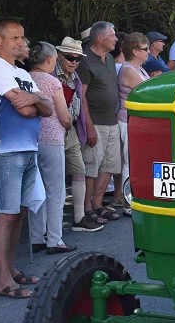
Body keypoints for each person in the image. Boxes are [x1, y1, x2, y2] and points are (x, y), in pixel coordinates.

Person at [0, 19, 53, 299]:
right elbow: (26, 111)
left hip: (28, 149)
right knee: (7, 214)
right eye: (14, 38)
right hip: (8, 151)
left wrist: (32, 99)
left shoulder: (21, 71)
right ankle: (3, 281)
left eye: (22, 37)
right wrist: (34, 100)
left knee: (19, 213)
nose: (20, 42)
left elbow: (46, 109)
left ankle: (11, 270)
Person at [26, 42, 76, 255]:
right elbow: (64, 117)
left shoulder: (25, 78)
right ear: (49, 60)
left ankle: (36, 237)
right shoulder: (51, 81)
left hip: (30, 139)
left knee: (35, 188)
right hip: (52, 139)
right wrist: (69, 124)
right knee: (55, 191)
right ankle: (54, 239)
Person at [76, 21, 123, 227]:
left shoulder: (110, 58)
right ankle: (86, 207)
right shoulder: (85, 61)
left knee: (109, 165)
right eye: (112, 35)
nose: (116, 39)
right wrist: (89, 126)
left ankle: (97, 203)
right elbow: (81, 96)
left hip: (112, 120)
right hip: (96, 122)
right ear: (100, 38)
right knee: (91, 167)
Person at [54, 36, 102, 234]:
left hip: (70, 129)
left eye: (77, 58)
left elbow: (79, 105)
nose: (74, 62)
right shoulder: (50, 75)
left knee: (79, 171)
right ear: (58, 55)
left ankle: (79, 217)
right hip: (53, 131)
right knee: (54, 178)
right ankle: (50, 225)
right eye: (69, 57)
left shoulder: (75, 78)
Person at [116, 32, 151, 218]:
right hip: (128, 121)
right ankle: (129, 202)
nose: (148, 53)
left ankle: (135, 198)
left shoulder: (139, 68)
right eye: (145, 49)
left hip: (137, 122)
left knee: (136, 160)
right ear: (136, 51)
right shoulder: (128, 70)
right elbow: (149, 92)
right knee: (130, 161)